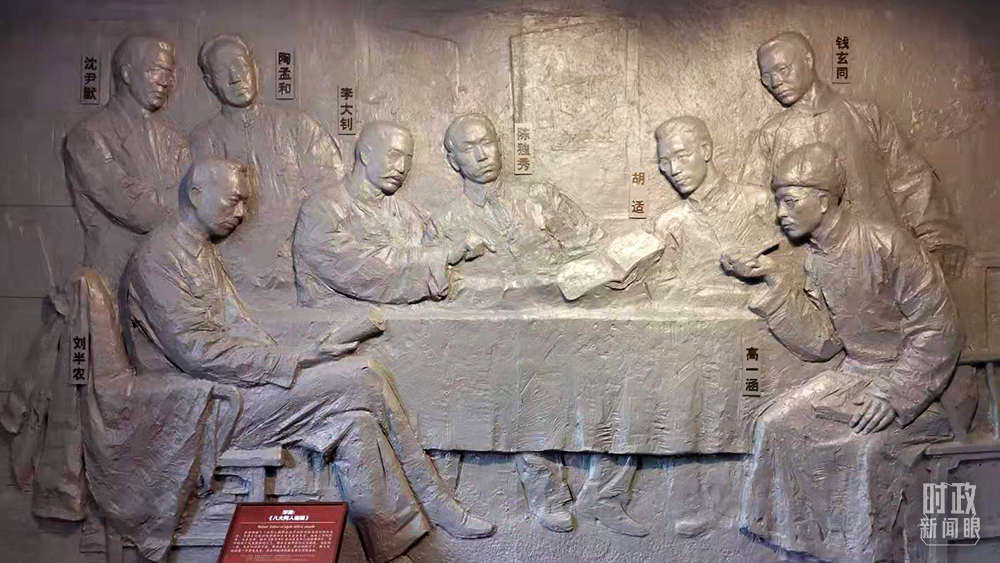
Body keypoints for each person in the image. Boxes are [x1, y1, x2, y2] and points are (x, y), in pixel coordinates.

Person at [117, 158, 493, 563]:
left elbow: (240, 330)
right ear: (196, 195)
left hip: (236, 390)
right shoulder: (160, 257)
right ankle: (437, 501)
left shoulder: (198, 251)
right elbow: (198, 354)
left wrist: (311, 355)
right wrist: (298, 359)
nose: (241, 214)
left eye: (244, 203)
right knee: (364, 375)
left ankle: (389, 550)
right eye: (232, 201)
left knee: (356, 422)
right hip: (205, 407)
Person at [722, 143, 962, 562]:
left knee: (863, 449)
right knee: (774, 426)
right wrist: (776, 284)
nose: (780, 213)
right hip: (854, 376)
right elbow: (824, 342)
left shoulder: (888, 243)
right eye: (779, 202)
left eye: (789, 201)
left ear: (824, 200)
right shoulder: (816, 260)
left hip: (916, 387)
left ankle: (864, 554)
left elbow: (938, 328)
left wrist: (894, 394)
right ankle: (802, 550)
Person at [439, 113, 647, 537]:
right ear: (452, 160)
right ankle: (547, 491)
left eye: (488, 143)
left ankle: (605, 494)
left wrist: (598, 271)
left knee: (630, 383)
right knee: (526, 391)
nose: (482, 154)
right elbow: (451, 291)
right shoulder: (446, 224)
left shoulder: (541, 197)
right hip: (506, 340)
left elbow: (592, 244)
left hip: (574, 320)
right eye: (469, 148)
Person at [741, 31, 966, 278]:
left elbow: (910, 177)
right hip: (810, 270)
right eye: (766, 77)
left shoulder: (866, 115)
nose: (775, 82)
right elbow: (753, 202)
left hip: (882, 260)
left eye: (783, 69)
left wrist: (937, 236)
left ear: (808, 60)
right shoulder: (771, 134)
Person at [651, 116, 781, 537]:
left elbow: (792, 270)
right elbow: (662, 290)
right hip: (695, 342)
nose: (673, 170)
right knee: (682, 395)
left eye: (682, 155)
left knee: (740, 405)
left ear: (706, 150)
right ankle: (692, 498)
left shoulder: (758, 203)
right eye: (664, 163)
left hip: (762, 340)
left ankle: (740, 500)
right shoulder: (670, 223)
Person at [190, 34, 345, 293]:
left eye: (240, 65)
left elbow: (332, 192)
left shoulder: (298, 126)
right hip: (237, 271)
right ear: (209, 82)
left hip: (300, 261)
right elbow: (200, 214)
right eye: (222, 71)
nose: (235, 77)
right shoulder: (203, 141)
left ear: (254, 67)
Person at [294, 121, 486, 307]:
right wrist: (444, 255)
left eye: (407, 160)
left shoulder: (408, 215)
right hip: (338, 323)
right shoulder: (321, 210)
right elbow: (362, 269)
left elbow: (431, 260)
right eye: (394, 156)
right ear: (365, 154)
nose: (402, 168)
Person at [65, 35, 189, 293]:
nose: (165, 81)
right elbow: (138, 210)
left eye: (169, 73)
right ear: (126, 73)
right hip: (116, 282)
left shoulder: (174, 140)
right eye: (154, 70)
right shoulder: (89, 136)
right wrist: (194, 193)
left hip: (171, 281)